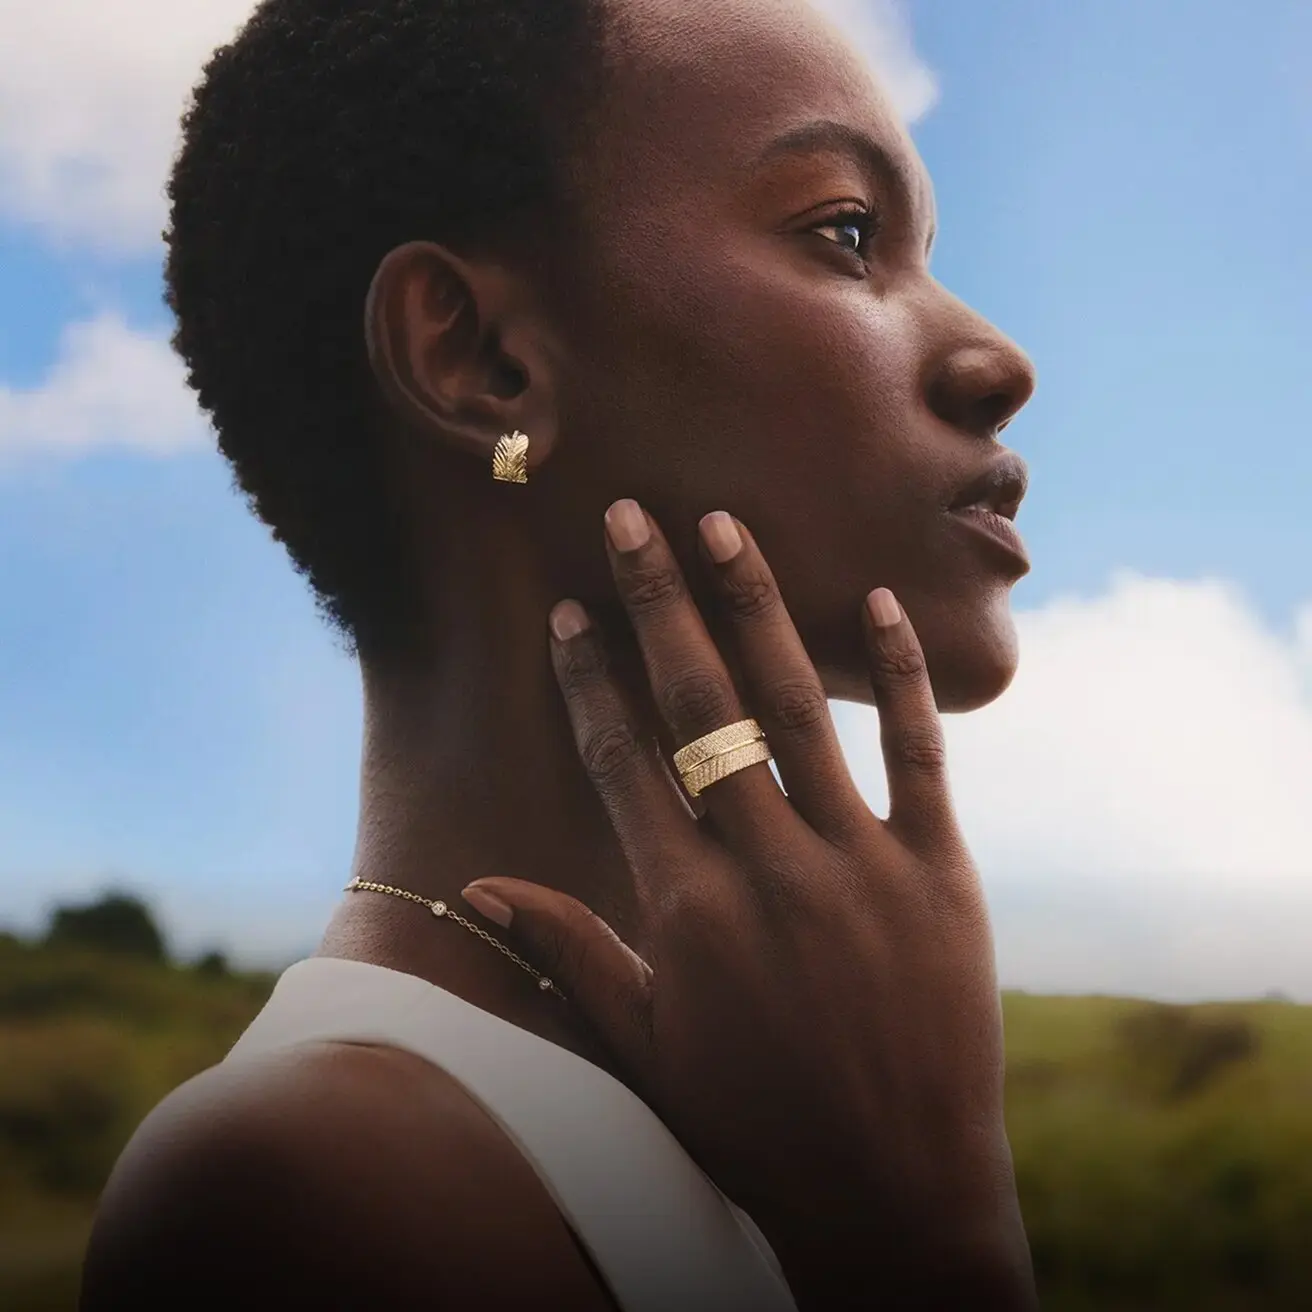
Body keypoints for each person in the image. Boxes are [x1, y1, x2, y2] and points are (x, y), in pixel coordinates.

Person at [80, 0, 1041, 1308]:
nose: (999, 360)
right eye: (848, 236)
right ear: (483, 363)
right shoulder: (305, 1190)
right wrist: (934, 1240)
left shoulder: (799, 1120)